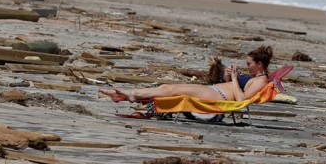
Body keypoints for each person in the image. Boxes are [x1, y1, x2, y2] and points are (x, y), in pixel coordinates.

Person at [99, 46, 274, 103]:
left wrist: (235, 79)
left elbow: (241, 100)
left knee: (172, 90)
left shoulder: (261, 80)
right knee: (167, 88)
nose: (247, 67)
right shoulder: (253, 77)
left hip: (218, 96)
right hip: (214, 89)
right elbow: (233, 87)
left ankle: (131, 95)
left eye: (249, 64)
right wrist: (229, 77)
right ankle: (125, 95)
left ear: (259, 64)